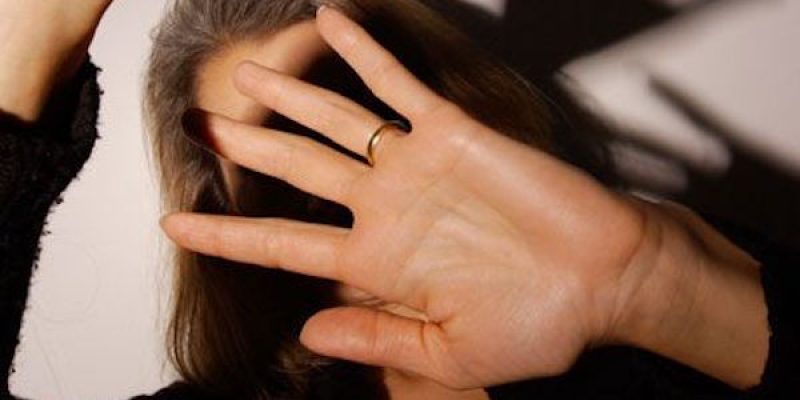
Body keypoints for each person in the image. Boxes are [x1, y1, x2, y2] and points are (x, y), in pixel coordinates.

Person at [1, 1, 797, 400]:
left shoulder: (661, 310)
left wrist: (653, 287)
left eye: (358, 116)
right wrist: (27, 54)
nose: (358, 193)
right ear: (226, 219)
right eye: (283, 155)